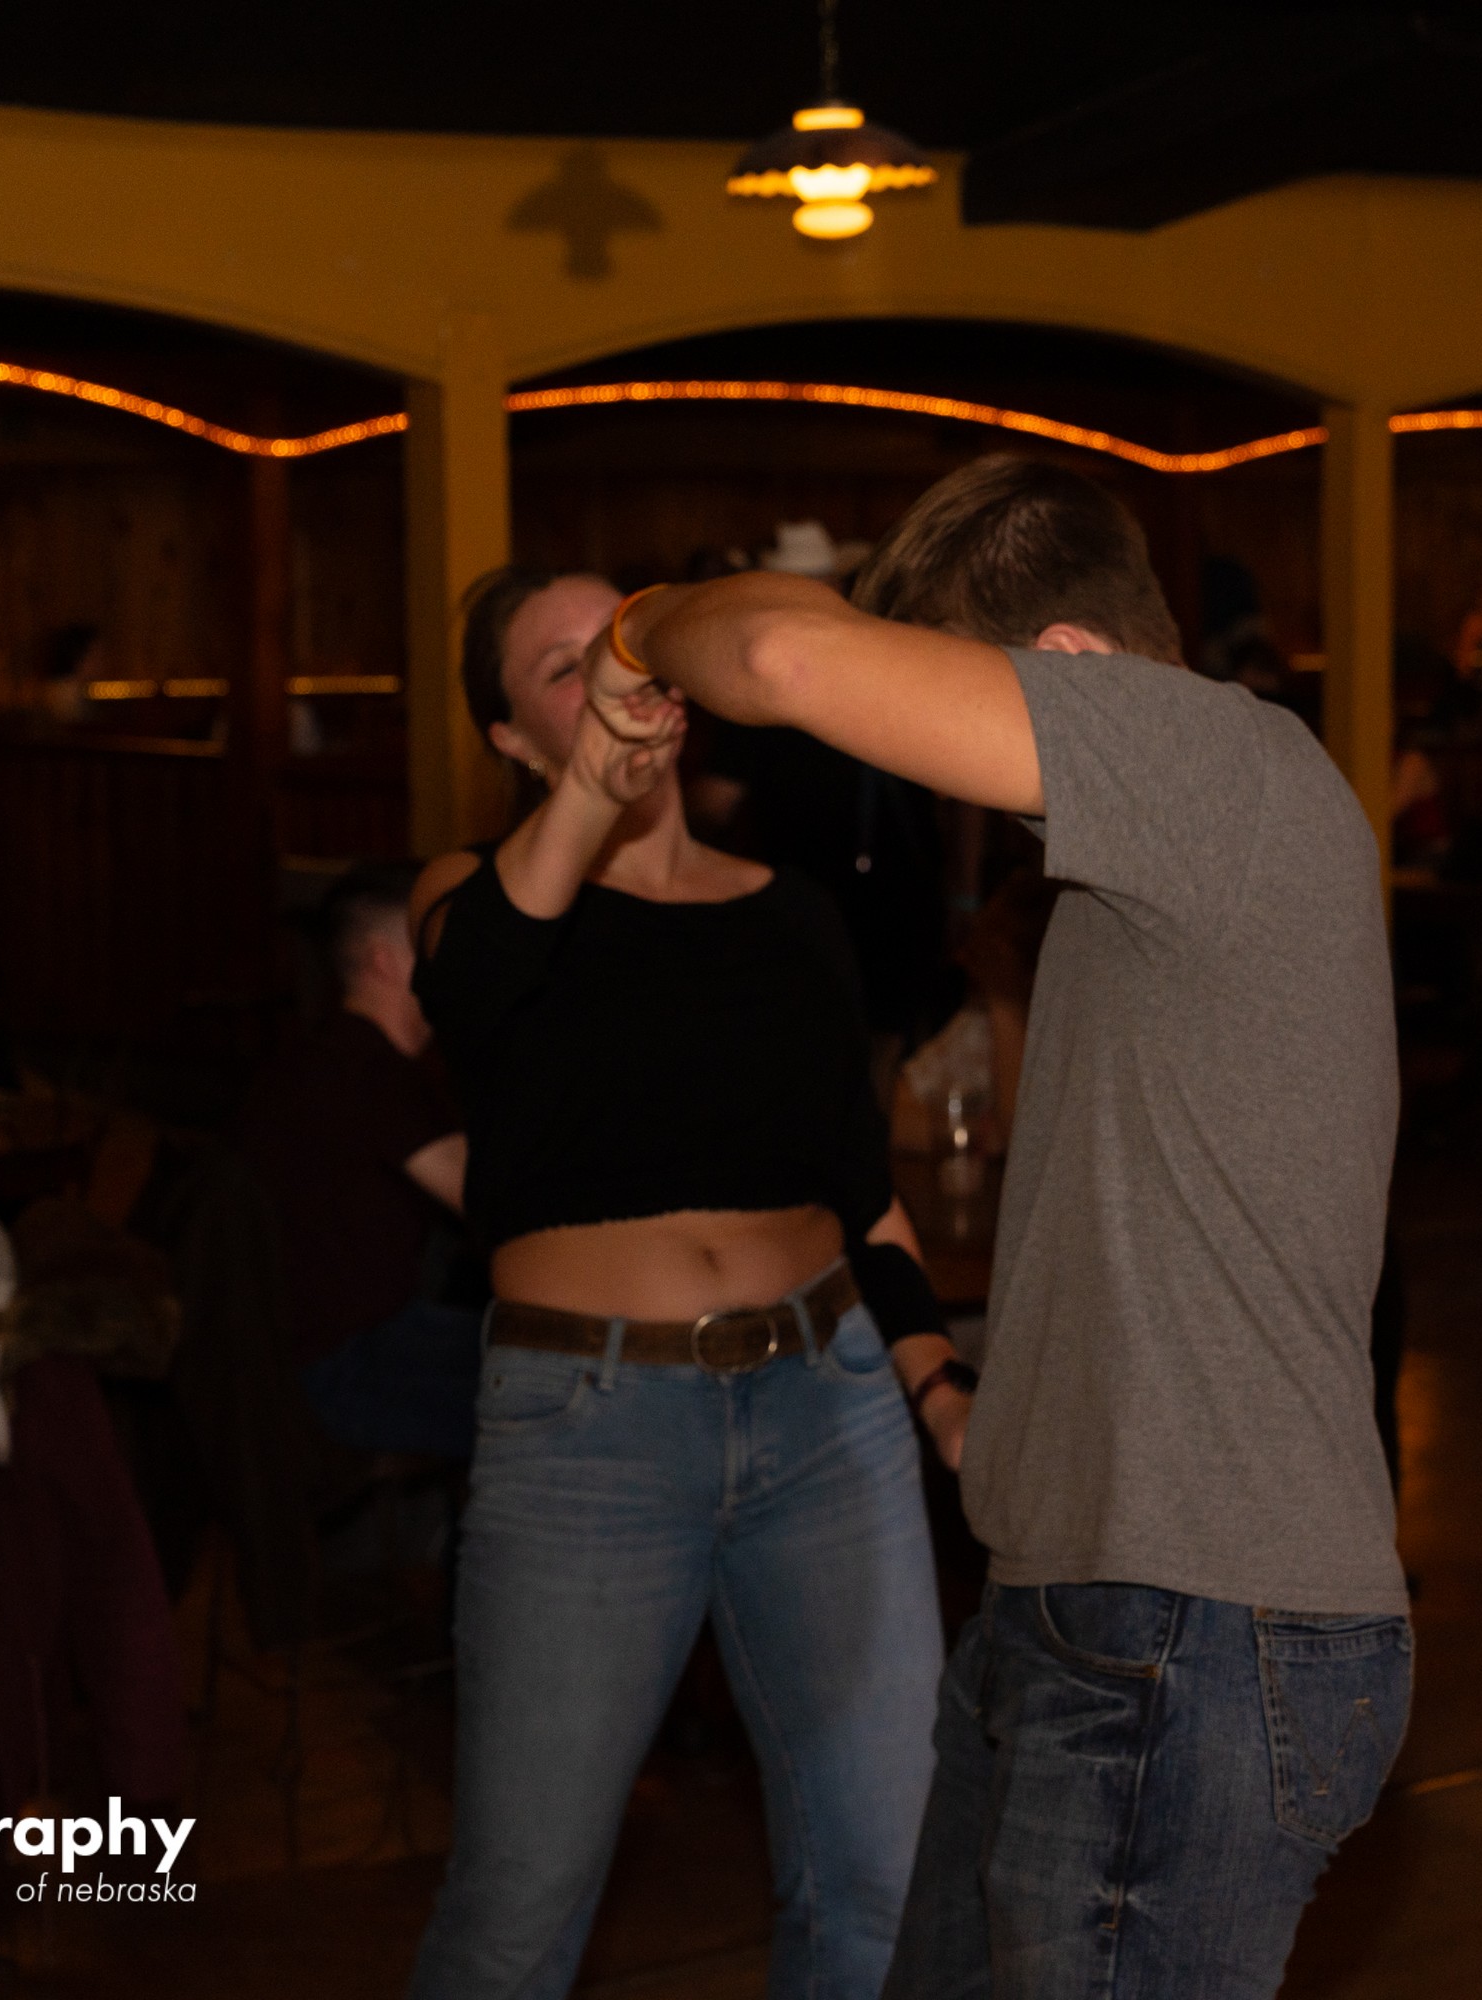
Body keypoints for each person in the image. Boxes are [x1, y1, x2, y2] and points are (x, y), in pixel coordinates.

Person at [586, 455, 1410, 2000]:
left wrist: (632, 635)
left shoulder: (1216, 762)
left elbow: (778, 655)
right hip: (1080, 1602)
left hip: (1195, 1625)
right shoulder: (1125, 880)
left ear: (1075, 669)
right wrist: (981, 1417)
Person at [401, 566, 957, 2000]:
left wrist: (940, 1387)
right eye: (564, 669)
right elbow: (473, 989)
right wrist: (590, 791)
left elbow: (862, 1188)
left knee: (881, 1880)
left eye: (629, 652)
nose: (615, 685)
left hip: (829, 1408)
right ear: (511, 738)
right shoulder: (465, 898)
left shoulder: (792, 911)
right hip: (591, 1431)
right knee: (517, 1910)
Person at [239, 861, 474, 1460]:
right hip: (345, 1368)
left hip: (302, 1359)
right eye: (447, 944)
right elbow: (500, 1201)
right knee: (562, 1388)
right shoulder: (367, 1071)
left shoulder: (324, 1055)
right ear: (385, 961)